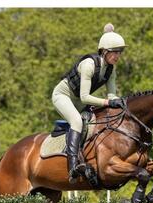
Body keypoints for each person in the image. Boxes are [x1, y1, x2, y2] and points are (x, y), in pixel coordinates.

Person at [52, 23, 127, 183]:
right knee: (77, 121)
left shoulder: (110, 69)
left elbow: (112, 95)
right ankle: (72, 166)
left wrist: (120, 104)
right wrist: (108, 102)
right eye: (114, 52)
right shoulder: (88, 65)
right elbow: (85, 97)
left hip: (78, 99)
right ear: (105, 51)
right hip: (63, 96)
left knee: (98, 122)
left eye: (119, 52)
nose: (117, 56)